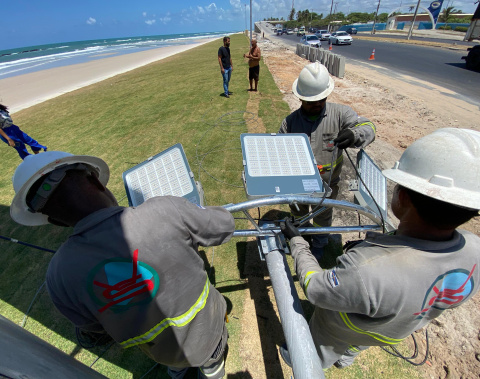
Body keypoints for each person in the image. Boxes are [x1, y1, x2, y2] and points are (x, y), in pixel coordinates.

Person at [10, 151, 235, 379]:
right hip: (209, 337)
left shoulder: (58, 276)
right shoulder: (165, 210)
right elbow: (224, 225)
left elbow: (94, 326)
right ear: (96, 181)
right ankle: (212, 371)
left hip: (160, 352)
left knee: (177, 365)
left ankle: (178, 371)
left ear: (54, 221)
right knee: (211, 365)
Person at [279, 128, 480, 370]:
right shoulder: (474, 248)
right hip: (394, 330)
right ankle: (346, 358)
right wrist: (376, 244)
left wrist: (297, 241)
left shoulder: (364, 271)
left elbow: (314, 287)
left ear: (403, 198)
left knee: (322, 346)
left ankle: (312, 363)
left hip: (343, 326)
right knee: (358, 344)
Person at [278, 62, 376, 259]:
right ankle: (302, 237)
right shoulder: (289, 123)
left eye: (321, 99)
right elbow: (280, 155)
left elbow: (368, 127)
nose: (318, 104)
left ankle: (320, 243)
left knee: (323, 216)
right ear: (300, 97)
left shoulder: (341, 114)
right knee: (298, 212)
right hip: (297, 186)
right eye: (311, 101)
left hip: (327, 185)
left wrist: (354, 134)